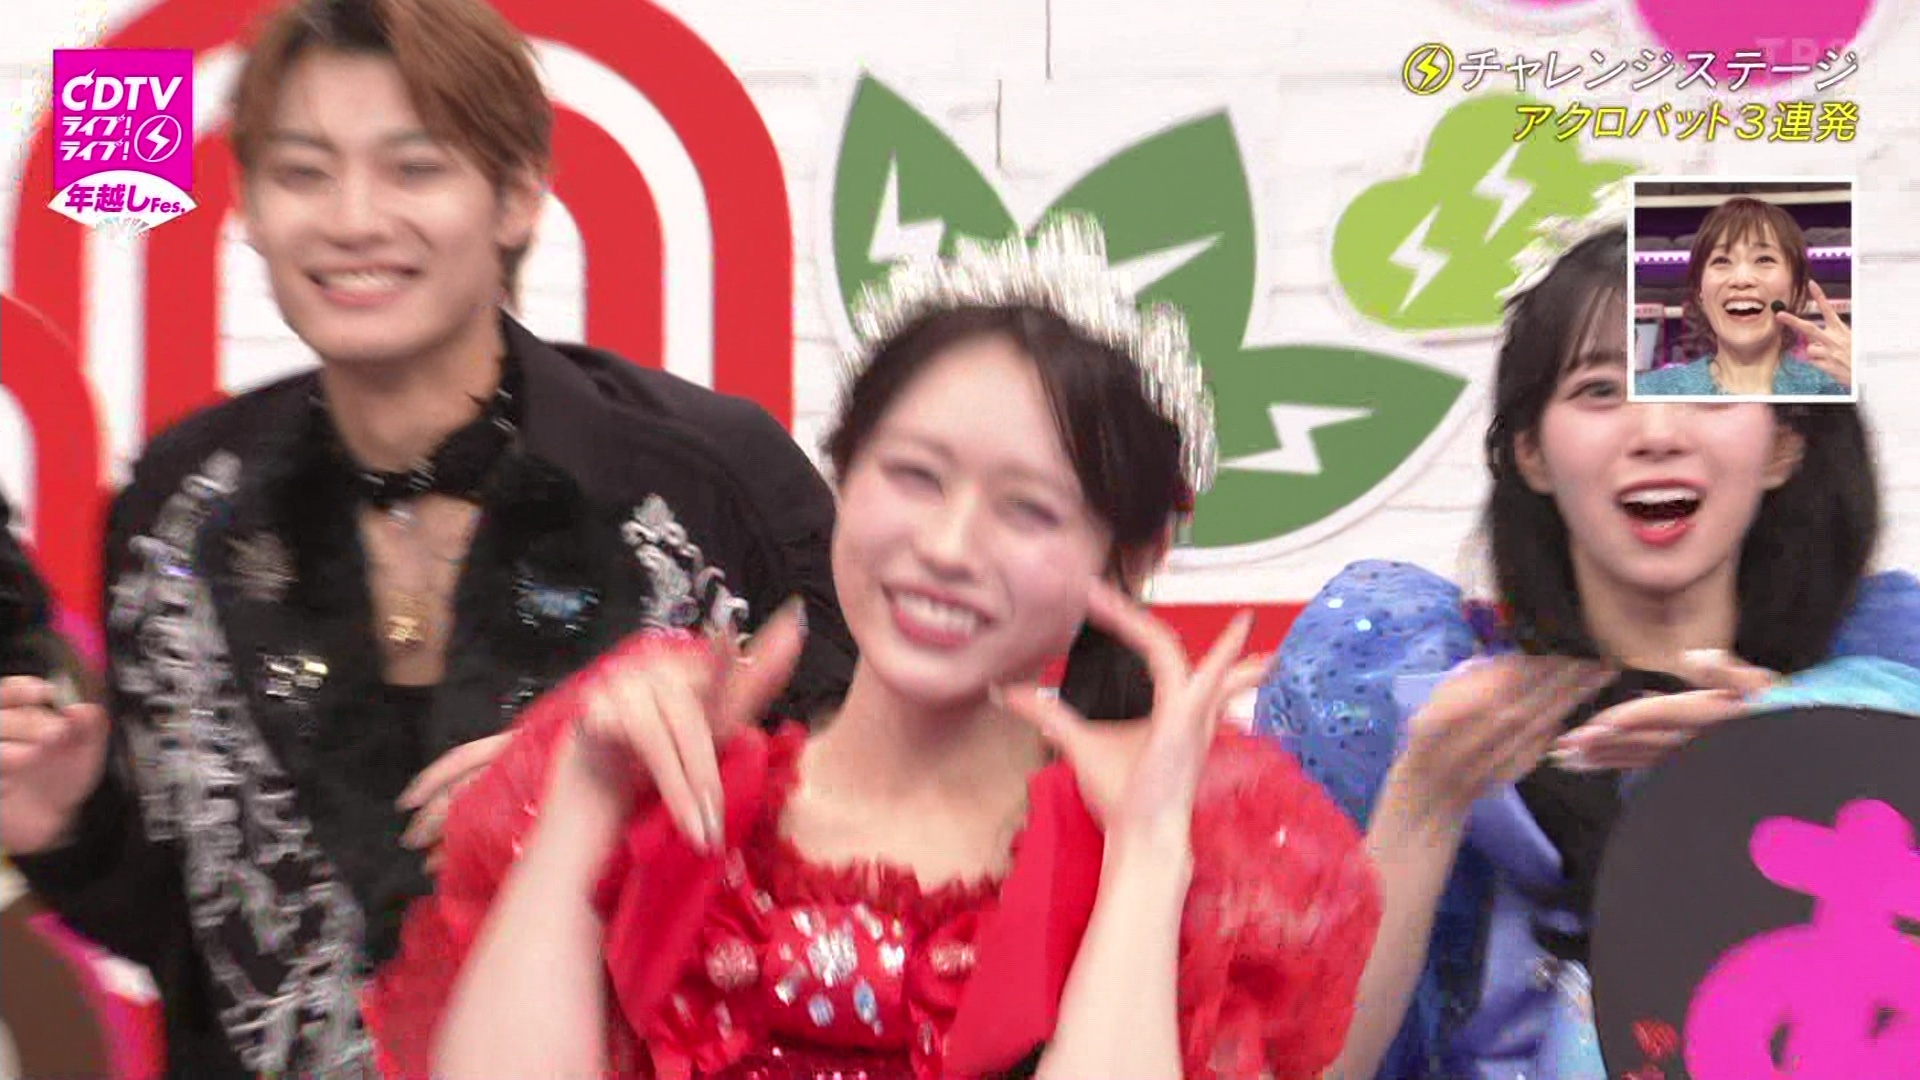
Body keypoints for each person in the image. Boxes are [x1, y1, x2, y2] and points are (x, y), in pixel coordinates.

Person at [0, 0, 855, 1075]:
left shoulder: (706, 486)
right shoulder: (180, 507)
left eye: (414, 168)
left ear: (517, 194)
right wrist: (73, 827)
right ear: (250, 206)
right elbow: (207, 947)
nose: (354, 220)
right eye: (304, 172)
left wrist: (583, 801)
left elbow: (868, 855)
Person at [359, 215, 1384, 1079]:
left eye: (1028, 509)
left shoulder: (1188, 845)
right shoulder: (669, 787)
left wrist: (1149, 854)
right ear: (840, 475)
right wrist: (589, 795)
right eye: (915, 476)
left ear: (1129, 556)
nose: (947, 547)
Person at [1259, 201, 1920, 1078]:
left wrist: (1807, 758)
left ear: (1783, 447)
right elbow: (1303, 1068)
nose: (1656, 433)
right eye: (1601, 390)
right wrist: (1425, 801)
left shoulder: (1883, 703)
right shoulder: (1409, 708)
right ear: (1531, 451)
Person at [1633, 194, 1851, 397]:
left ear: (1798, 290)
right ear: (1700, 293)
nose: (1741, 279)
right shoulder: (1651, 393)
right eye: (1721, 260)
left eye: (1764, 259)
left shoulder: (1834, 389)